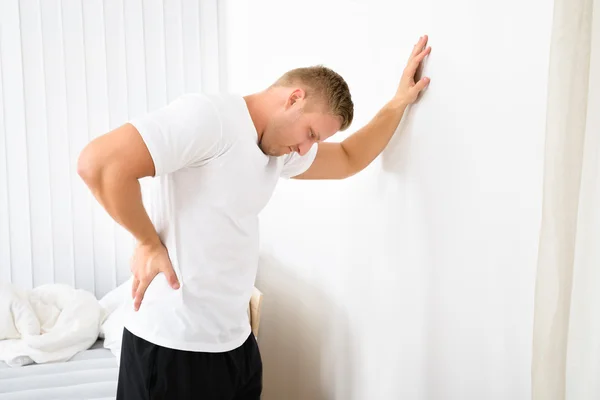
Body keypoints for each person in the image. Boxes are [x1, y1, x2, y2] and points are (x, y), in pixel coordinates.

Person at [78, 35, 431, 399]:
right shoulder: (211, 119)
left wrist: (399, 102)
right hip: (172, 347)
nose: (306, 149)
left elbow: (346, 158)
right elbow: (100, 163)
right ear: (294, 98)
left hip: (235, 346)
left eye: (315, 141)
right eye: (310, 133)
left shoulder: (279, 151)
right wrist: (147, 242)